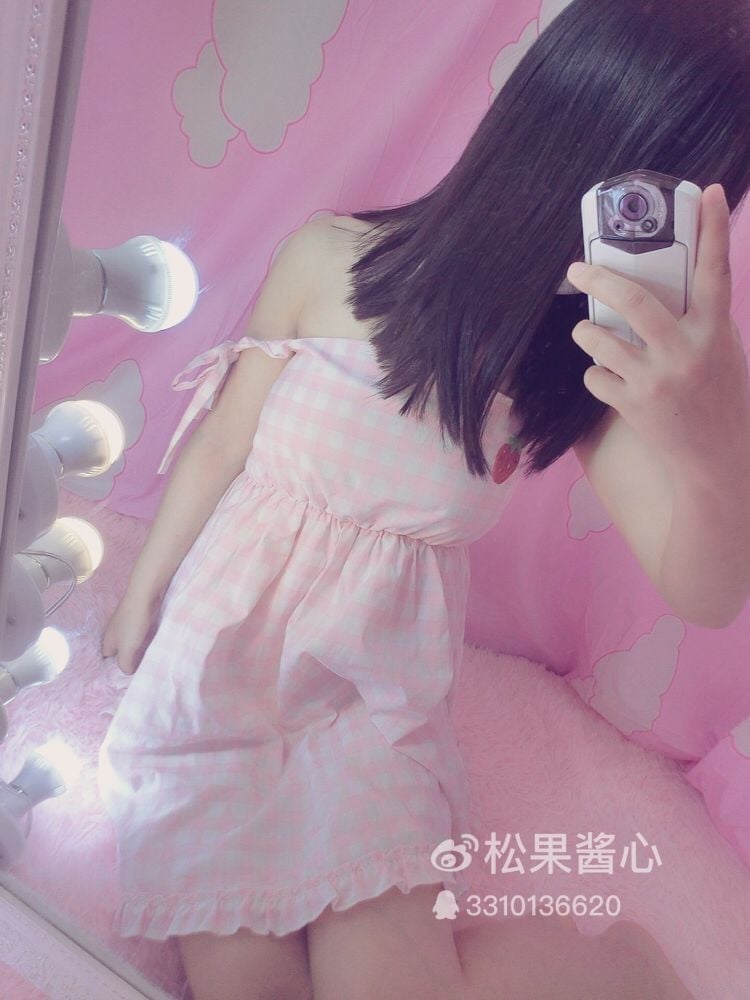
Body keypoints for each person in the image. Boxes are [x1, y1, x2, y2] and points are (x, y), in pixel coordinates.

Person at [99, 0, 749, 997]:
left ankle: (623, 966)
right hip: (222, 677)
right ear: (568, 135)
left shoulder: (569, 381)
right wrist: (143, 593)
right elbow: (223, 437)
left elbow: (705, 590)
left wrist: (720, 437)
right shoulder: (329, 258)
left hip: (375, 712)